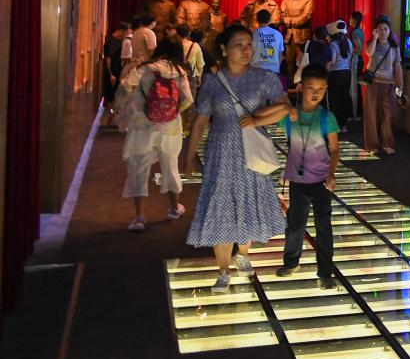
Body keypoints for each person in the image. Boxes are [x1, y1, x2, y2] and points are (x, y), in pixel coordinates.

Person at [184, 25, 291, 293]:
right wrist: (189, 155)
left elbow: (285, 107)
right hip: (220, 152)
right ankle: (222, 270)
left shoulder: (264, 78)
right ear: (223, 49)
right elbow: (200, 121)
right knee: (220, 205)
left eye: (248, 44)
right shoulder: (212, 82)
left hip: (251, 151)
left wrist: (257, 120)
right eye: (238, 45)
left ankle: (243, 253)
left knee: (248, 202)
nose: (246, 50)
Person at [117, 36, 193, 231]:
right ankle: (174, 208)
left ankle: (139, 217)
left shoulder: (144, 68)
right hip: (169, 128)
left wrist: (131, 109)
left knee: (139, 169)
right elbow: (187, 100)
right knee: (170, 167)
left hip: (142, 127)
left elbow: (125, 88)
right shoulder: (180, 72)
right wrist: (172, 112)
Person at [274, 64, 340, 289]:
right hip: (298, 180)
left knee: (324, 227)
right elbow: (268, 112)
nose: (315, 93)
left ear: (326, 89)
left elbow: (334, 148)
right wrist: (285, 105)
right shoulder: (290, 115)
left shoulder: (326, 117)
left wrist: (331, 174)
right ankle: (291, 262)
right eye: (311, 87)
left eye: (321, 89)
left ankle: (325, 272)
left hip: (321, 181)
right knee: (295, 224)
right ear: (301, 87)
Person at [363, 15, 403, 156]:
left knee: (388, 114)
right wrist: (374, 38)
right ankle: (372, 145)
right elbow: (369, 52)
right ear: (375, 30)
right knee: (371, 114)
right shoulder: (372, 43)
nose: (383, 31)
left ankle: (388, 143)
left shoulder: (394, 47)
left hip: (389, 85)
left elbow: (397, 67)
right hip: (373, 84)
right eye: (379, 29)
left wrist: (400, 88)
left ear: (390, 30)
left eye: (385, 29)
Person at [281, 0, 314, 82]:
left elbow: (306, 16)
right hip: (289, 36)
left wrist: (290, 21)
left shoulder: (308, 0)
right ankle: (290, 81)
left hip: (302, 35)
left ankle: (300, 82)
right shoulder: (286, 0)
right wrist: (286, 20)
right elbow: (282, 15)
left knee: (302, 62)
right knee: (289, 61)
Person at [326, 21, 353, 132]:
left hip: (336, 75)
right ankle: (343, 125)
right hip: (347, 73)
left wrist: (326, 69)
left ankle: (335, 125)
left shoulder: (333, 45)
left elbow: (332, 61)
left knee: (334, 100)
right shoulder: (349, 42)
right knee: (344, 98)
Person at [102, 22, 129, 126]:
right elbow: (108, 59)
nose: (125, 35)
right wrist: (111, 74)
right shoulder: (111, 41)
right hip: (112, 73)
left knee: (115, 96)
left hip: (118, 72)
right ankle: (108, 121)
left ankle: (111, 120)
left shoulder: (119, 41)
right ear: (121, 31)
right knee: (111, 97)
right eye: (125, 33)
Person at [252, 9, 285, 80]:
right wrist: (277, 68)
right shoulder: (278, 35)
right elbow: (280, 55)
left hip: (256, 69)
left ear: (257, 20)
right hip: (273, 70)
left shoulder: (253, 35)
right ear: (270, 20)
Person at [348, 11, 365, 121]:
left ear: (354, 20)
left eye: (350, 18)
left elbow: (358, 48)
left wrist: (347, 49)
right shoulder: (360, 31)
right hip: (358, 60)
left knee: (354, 87)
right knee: (356, 87)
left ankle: (355, 114)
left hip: (355, 61)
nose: (349, 20)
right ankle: (357, 113)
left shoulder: (355, 32)